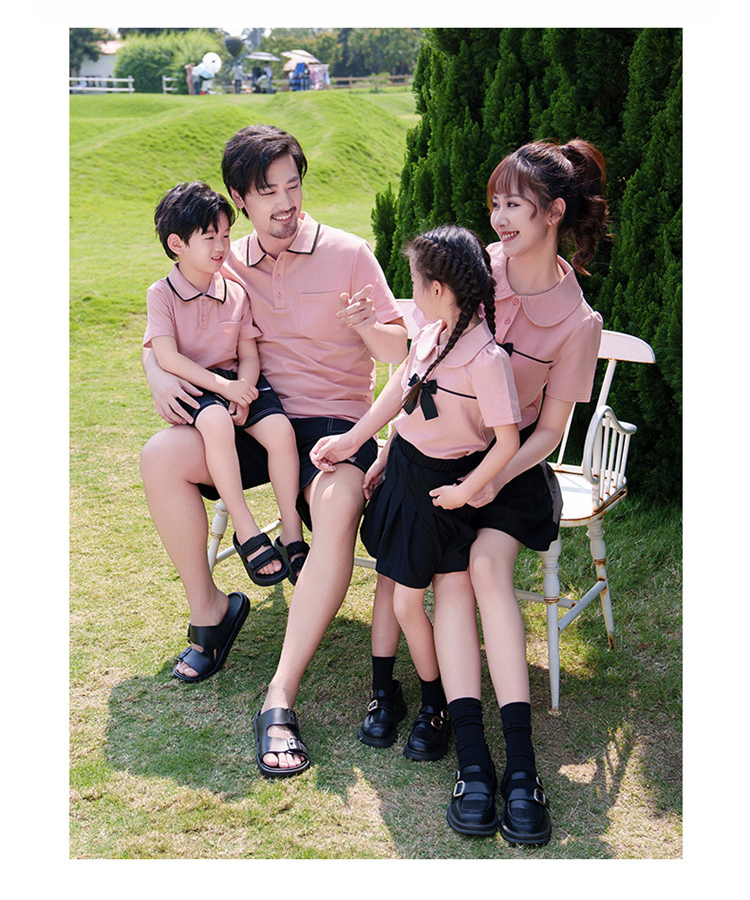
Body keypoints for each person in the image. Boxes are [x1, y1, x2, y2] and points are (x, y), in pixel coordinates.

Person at [360, 139, 609, 845]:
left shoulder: (578, 321)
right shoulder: (473, 269)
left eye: (515, 205)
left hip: (514, 469)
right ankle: (473, 761)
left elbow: (549, 432)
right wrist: (390, 449)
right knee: (451, 583)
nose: (499, 217)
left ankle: (522, 769)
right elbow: (421, 367)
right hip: (443, 466)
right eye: (495, 202)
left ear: (554, 213)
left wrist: (489, 479)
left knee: (486, 568)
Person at [140, 125, 408, 775]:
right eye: (268, 192)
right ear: (239, 199)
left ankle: (280, 694)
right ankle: (212, 611)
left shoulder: (349, 253)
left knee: (337, 506)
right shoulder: (223, 257)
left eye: (294, 186)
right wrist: (156, 374)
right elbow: (162, 326)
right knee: (160, 454)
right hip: (255, 419)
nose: (286, 203)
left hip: (336, 427)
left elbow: (406, 355)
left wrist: (367, 326)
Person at [311, 225, 520, 765]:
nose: (411, 290)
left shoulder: (486, 359)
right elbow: (401, 392)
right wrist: (362, 445)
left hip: (443, 489)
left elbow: (506, 442)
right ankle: (391, 693)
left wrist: (466, 492)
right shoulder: (430, 335)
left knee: (407, 600)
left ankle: (436, 703)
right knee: (391, 584)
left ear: (439, 289)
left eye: (414, 281)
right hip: (403, 471)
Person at [144, 181, 306, 647]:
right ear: (177, 244)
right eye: (209, 237)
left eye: (225, 235)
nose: (221, 246)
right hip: (201, 386)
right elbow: (167, 358)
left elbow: (248, 352)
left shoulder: (234, 291)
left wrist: (245, 388)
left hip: (238, 382)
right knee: (214, 420)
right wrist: (223, 388)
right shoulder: (162, 294)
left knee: (279, 430)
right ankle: (246, 527)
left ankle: (292, 533)